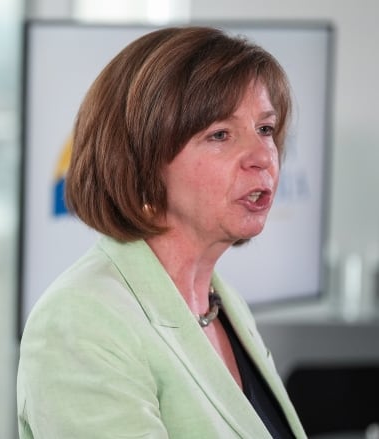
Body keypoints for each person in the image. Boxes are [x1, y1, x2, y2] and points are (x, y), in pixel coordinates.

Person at [16, 26, 307, 438]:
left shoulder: (223, 304)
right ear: (142, 161)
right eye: (220, 134)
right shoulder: (81, 323)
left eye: (265, 129)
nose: (262, 157)